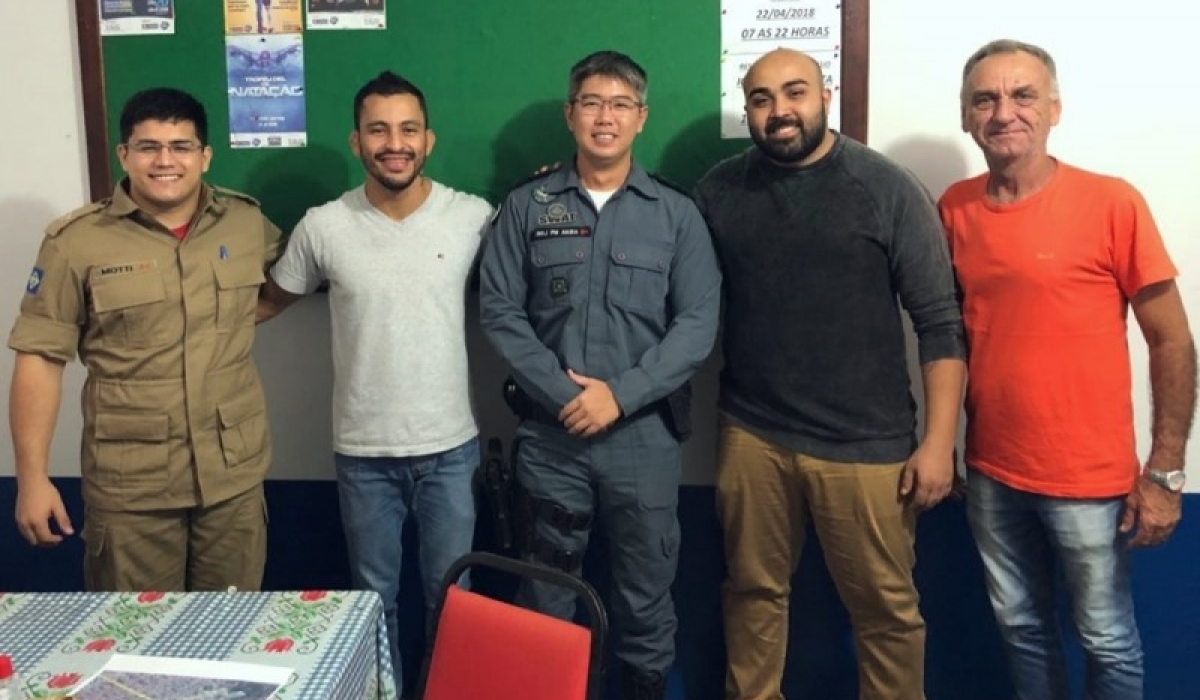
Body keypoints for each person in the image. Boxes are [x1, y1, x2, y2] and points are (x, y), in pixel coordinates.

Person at [694, 48, 966, 700]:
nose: (779, 111)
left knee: (886, 614)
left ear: (826, 96)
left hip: (867, 446)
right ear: (747, 109)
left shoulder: (886, 187)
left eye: (795, 92)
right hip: (752, 435)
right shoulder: (719, 191)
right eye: (761, 98)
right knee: (752, 594)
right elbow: (656, 245)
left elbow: (940, 323)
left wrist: (938, 443)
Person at [939, 39, 1196, 700]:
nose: (1004, 112)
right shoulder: (954, 208)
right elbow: (945, 336)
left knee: (1106, 638)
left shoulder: (1112, 202)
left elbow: (1171, 340)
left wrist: (1165, 472)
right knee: (1020, 627)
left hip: (1090, 481)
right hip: (991, 472)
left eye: (1022, 95)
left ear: (1054, 108)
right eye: (985, 99)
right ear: (966, 116)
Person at [478, 50, 721, 700]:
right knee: (546, 596)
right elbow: (499, 311)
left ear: (641, 117)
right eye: (591, 103)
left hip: (643, 439)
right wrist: (567, 396)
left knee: (645, 599)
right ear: (570, 114)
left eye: (619, 104)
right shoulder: (527, 206)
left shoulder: (676, 213)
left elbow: (698, 323)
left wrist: (620, 396)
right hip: (551, 438)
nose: (604, 117)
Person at [256, 70, 492, 696]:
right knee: (371, 605)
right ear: (356, 141)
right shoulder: (323, 225)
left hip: (451, 450)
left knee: (454, 602)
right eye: (378, 130)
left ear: (428, 140)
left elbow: (528, 289)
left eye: (408, 129)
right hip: (363, 455)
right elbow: (266, 303)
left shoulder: (473, 218)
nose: (395, 143)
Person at [9, 87, 282, 591]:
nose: (165, 161)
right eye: (148, 147)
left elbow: (278, 288)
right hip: (132, 490)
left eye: (180, 146)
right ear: (124, 154)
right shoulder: (76, 242)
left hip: (232, 481)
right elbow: (39, 360)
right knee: (135, 634)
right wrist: (32, 477)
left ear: (205, 156)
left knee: (231, 628)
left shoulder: (246, 224)